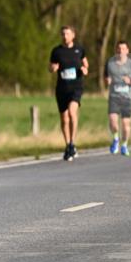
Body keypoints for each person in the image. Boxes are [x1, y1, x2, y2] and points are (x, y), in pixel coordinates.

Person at [48, 25, 88, 161]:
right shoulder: (56, 51)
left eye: (67, 34)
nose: (65, 36)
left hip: (76, 87)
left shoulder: (79, 50)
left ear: (73, 35)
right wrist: (53, 68)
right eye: (63, 34)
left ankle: (72, 142)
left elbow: (85, 63)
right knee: (64, 119)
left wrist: (85, 69)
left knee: (72, 112)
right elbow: (51, 66)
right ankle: (68, 145)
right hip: (62, 88)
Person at [104, 41, 131, 156]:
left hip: (127, 99)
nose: (121, 51)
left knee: (126, 126)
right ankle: (116, 139)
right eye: (119, 49)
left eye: (123, 49)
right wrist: (107, 80)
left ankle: (124, 144)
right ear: (116, 50)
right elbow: (106, 76)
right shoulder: (110, 63)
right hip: (114, 97)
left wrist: (130, 81)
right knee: (113, 122)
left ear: (127, 51)